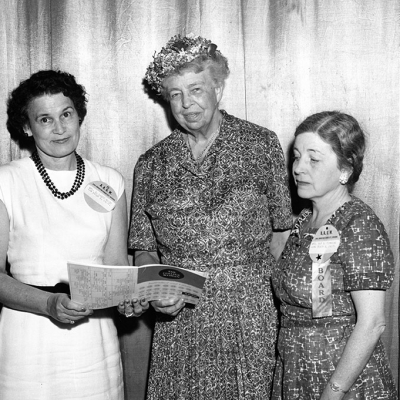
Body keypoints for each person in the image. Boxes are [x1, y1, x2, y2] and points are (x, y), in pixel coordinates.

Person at [129, 34, 293, 399]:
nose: (186, 104)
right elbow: (145, 250)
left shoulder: (260, 145)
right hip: (181, 318)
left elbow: (282, 236)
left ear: (218, 87)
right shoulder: (151, 164)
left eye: (196, 89)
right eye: (174, 94)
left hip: (251, 315)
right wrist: (157, 290)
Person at [0, 69, 148, 399]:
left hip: (92, 340)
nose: (60, 128)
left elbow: (114, 266)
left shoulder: (109, 181)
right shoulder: (6, 182)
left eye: (66, 114)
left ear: (79, 115)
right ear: (27, 127)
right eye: (45, 119)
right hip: (29, 337)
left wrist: (129, 301)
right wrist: (48, 303)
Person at [271, 111, 398, 399]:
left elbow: (373, 322)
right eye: (297, 156)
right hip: (295, 372)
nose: (299, 168)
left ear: (345, 170)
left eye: (313, 159)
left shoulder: (359, 223)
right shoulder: (304, 221)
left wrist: (334, 391)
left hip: (342, 381)